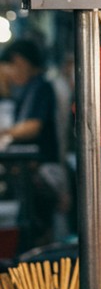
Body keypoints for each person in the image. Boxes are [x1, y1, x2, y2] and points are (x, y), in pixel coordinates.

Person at [0, 38, 64, 246]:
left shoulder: (41, 87)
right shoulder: (30, 89)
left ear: (19, 61)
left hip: (45, 171)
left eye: (7, 68)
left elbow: (32, 127)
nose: (7, 75)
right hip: (38, 171)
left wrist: (5, 132)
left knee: (41, 232)